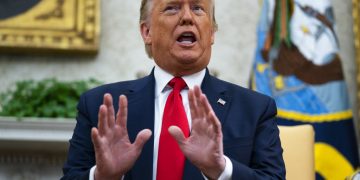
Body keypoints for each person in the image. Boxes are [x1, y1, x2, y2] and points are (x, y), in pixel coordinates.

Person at [61, 0, 286, 179]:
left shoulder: (255, 108)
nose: (187, 17)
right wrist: (102, 177)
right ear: (146, 31)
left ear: (212, 33)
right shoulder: (100, 106)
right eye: (172, 8)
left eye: (198, 8)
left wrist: (221, 169)